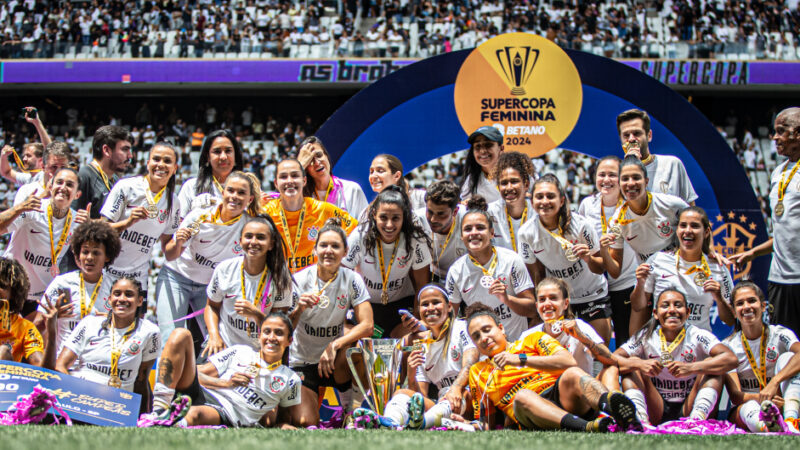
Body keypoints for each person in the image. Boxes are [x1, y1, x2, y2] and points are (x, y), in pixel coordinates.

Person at [464, 302, 641, 431]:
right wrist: (468, 425)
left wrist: (520, 359)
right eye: (477, 336)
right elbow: (486, 421)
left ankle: (614, 408)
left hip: (561, 395)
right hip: (531, 411)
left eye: (487, 330)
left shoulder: (532, 339)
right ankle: (589, 427)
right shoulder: (478, 371)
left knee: (572, 373)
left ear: (501, 328)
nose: (484, 338)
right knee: (523, 396)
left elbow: (568, 362)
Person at [287, 218, 374, 427]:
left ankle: (350, 411)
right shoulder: (299, 280)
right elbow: (284, 329)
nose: (328, 251)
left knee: (357, 352)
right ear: (314, 250)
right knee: (305, 421)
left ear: (345, 252)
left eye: (335, 246)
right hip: (303, 360)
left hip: (334, 359)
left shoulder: (352, 279)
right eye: (323, 245)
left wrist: (335, 345)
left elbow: (368, 325)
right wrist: (298, 308)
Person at [146, 312, 300, 428]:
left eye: (279, 333)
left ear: (290, 340)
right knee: (180, 334)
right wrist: (225, 383)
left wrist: (283, 425)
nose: (271, 337)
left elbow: (284, 418)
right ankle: (159, 410)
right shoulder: (240, 351)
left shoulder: (291, 379)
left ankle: (168, 421)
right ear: (259, 335)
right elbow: (198, 374)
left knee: (194, 414)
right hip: (201, 392)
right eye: (267, 331)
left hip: (226, 411)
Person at [157, 171, 260, 345]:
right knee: (170, 339)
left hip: (210, 287)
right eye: (231, 191)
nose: (235, 196)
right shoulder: (200, 215)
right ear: (223, 193)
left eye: (241, 193)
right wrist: (178, 243)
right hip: (177, 278)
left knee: (217, 340)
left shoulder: (249, 226)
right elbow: (170, 255)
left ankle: (199, 372)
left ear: (250, 199)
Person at [613, 289, 738, 426]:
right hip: (656, 406)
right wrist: (640, 365)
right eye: (665, 305)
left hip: (689, 405)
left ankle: (697, 420)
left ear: (688, 312)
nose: (672, 310)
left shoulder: (698, 335)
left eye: (678, 305)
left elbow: (731, 359)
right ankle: (640, 421)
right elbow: (614, 358)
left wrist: (691, 368)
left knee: (712, 366)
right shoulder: (645, 336)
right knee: (633, 364)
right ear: (655, 313)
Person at [363, 284, 477, 430]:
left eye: (436, 302)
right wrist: (411, 373)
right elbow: (420, 398)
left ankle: (422, 424)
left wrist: (456, 388)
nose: (430, 308)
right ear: (419, 310)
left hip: (469, 397)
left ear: (449, 306)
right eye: (424, 304)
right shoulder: (422, 345)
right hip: (443, 405)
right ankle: (389, 423)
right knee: (401, 394)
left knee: (457, 395)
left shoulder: (462, 327)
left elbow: (470, 365)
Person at [518, 174, 614, 344]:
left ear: (561, 200)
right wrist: (540, 307)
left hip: (592, 295)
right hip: (558, 301)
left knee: (599, 352)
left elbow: (601, 268)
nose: (544, 201)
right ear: (532, 202)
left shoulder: (581, 225)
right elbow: (537, 275)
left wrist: (588, 258)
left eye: (550, 196)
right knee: (561, 355)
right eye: (539, 197)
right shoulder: (526, 233)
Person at [731, 107, 800, 336]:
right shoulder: (778, 172)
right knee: (786, 346)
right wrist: (753, 253)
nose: (774, 138)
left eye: (781, 131)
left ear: (798, 134)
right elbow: (784, 232)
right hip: (779, 279)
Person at [608, 156, 690, 331]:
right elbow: (615, 269)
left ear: (646, 181)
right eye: (625, 179)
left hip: (678, 273)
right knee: (636, 335)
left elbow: (698, 222)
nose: (631, 183)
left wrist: (710, 250)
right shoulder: (617, 221)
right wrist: (599, 250)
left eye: (636, 178)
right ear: (619, 183)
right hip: (648, 278)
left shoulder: (671, 204)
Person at [343, 185, 431, 338]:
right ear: (374, 215)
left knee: (414, 338)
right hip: (366, 306)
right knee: (357, 339)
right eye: (383, 217)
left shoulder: (415, 239)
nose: (389, 225)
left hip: (402, 307)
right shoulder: (360, 235)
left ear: (404, 217)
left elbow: (422, 286)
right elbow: (341, 275)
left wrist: (417, 321)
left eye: (396, 218)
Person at [0, 168, 89, 315]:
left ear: (77, 194)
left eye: (69, 185)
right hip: (9, 289)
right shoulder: (32, 209)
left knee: (38, 335)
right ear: (50, 187)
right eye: (59, 182)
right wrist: (19, 208)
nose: (63, 187)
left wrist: (90, 226)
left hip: (40, 297)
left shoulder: (78, 222)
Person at [446, 196, 535, 342]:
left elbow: (532, 309)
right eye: (468, 229)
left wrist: (506, 299)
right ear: (461, 236)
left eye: (480, 228)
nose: (474, 232)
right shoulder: (455, 271)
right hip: (483, 349)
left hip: (517, 344)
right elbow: (450, 319)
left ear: (492, 233)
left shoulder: (511, 260)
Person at [631, 207, 735, 332]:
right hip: (663, 344)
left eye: (695, 226)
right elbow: (638, 306)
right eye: (683, 225)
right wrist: (640, 284)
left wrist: (719, 298)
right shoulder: (657, 260)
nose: (688, 231)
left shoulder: (718, 268)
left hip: (699, 345)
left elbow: (730, 320)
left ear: (706, 232)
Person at [56, 277, 160, 398]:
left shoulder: (150, 332)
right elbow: (60, 365)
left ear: (140, 301)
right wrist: (71, 396)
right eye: (117, 294)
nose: (122, 299)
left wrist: (144, 416)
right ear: (109, 300)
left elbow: (141, 382)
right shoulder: (90, 323)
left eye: (129, 294)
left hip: (118, 404)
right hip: (80, 397)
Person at [204, 216, 295, 356]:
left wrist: (256, 314)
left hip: (260, 352)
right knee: (197, 375)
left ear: (271, 244)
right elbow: (211, 306)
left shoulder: (280, 278)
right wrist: (214, 336)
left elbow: (278, 327)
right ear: (240, 241)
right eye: (248, 236)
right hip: (224, 345)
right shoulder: (225, 269)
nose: (253, 242)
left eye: (260, 237)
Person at [101, 142, 181, 298]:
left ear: (175, 168)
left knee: (136, 323)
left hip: (138, 278)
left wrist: (182, 239)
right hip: (107, 271)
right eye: (156, 159)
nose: (161, 165)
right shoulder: (126, 187)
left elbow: (168, 250)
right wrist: (127, 223)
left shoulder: (174, 202)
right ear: (148, 163)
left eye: (167, 161)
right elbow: (101, 230)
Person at [35, 221, 121, 358]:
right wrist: (51, 318)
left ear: (107, 256)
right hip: (60, 363)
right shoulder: (61, 283)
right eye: (85, 252)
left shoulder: (116, 287)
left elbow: (127, 329)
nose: (89, 258)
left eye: (96, 252)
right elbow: (36, 327)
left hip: (95, 365)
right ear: (77, 255)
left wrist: (115, 320)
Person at [723, 281, 800, 433]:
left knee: (790, 357)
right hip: (748, 408)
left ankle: (791, 420)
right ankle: (770, 428)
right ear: (734, 311)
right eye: (740, 303)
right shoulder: (728, 345)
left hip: (783, 404)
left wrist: (775, 381)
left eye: (752, 301)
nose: (746, 307)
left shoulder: (780, 334)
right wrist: (763, 400)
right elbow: (736, 396)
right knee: (749, 407)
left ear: (763, 306)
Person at [577, 156, 637, 344]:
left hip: (624, 283)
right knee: (595, 343)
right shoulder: (587, 205)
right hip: (595, 285)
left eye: (613, 175)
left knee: (625, 341)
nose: (606, 179)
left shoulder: (631, 206)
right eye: (602, 174)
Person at [264, 159, 357, 274]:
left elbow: (358, 231)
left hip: (313, 286)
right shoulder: (265, 214)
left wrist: (345, 263)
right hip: (279, 284)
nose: (289, 181)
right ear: (276, 184)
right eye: (283, 177)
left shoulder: (322, 209)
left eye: (294, 176)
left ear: (304, 181)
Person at [522, 278, 618, 388]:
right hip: (546, 395)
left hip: (582, 393)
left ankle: (612, 404)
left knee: (611, 370)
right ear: (537, 306)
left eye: (553, 298)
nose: (547, 304)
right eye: (542, 299)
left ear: (565, 303)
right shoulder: (527, 336)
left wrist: (582, 338)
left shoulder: (579, 326)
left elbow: (611, 361)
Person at [616, 109, 697, 203]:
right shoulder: (615, 173)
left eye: (637, 133)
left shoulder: (672, 164)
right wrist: (632, 164)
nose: (631, 139)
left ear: (649, 135)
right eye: (626, 135)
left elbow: (689, 207)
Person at [177, 129, 244, 222]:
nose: (223, 157)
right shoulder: (191, 187)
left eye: (228, 151)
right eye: (217, 151)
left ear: (235, 156)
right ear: (207, 157)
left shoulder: (249, 188)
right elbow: (178, 227)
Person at [296, 136, 369, 219]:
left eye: (319, 155)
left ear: (326, 156)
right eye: (310, 160)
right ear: (305, 169)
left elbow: (366, 227)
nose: (317, 163)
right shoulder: (300, 198)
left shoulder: (352, 190)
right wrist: (299, 165)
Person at [0, 257, 52, 368]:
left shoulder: (25, 328)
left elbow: (41, 367)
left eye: (2, 286)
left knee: (3, 351)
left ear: (14, 293)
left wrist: (52, 334)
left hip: (5, 382)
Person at [74, 125, 133, 219]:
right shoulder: (83, 176)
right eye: (125, 149)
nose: (130, 156)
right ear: (106, 150)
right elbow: (70, 221)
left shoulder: (116, 180)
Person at [416, 180, 467, 282]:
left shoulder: (468, 219)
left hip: (464, 278)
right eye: (430, 212)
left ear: (455, 211)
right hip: (432, 277)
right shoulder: (417, 220)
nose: (433, 219)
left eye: (441, 214)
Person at [486, 152, 535, 252]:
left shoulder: (537, 212)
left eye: (514, 181)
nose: (509, 187)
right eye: (504, 183)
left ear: (526, 184)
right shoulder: (489, 212)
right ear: (498, 187)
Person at [13, 141, 73, 206]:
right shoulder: (26, 191)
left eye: (63, 167)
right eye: (54, 167)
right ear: (43, 167)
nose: (58, 173)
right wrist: (43, 195)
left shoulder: (72, 192)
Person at [460, 126, 504, 204]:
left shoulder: (514, 174)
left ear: (501, 149)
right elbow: (464, 204)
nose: (483, 151)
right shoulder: (472, 179)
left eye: (488, 145)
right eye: (477, 146)